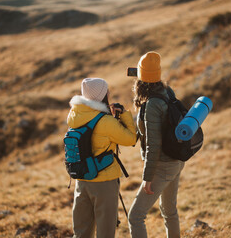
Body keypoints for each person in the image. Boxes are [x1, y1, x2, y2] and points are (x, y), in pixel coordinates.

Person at [67, 77, 137, 238]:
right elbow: (130, 139)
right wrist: (124, 115)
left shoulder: (74, 115)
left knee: (81, 232)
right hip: (104, 182)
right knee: (105, 232)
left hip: (82, 179)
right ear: (102, 95)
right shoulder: (105, 121)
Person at [128, 52, 185, 238]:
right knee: (170, 212)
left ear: (141, 80)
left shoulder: (152, 105)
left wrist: (147, 177)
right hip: (176, 161)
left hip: (162, 166)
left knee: (135, 216)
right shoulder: (167, 92)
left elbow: (154, 144)